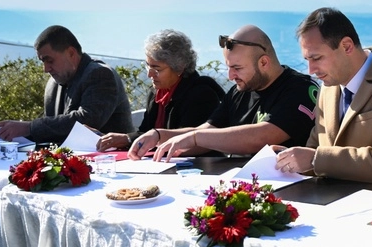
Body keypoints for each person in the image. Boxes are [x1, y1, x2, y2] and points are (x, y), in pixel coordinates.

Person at [275, 7, 372, 197]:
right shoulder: (328, 87)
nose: (311, 69)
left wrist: (314, 159)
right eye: (307, 59)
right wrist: (287, 158)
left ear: (347, 46)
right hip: (331, 205)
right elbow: (315, 149)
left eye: (317, 58)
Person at [129, 25, 319, 159]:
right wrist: (159, 136)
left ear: (263, 62)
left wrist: (195, 137)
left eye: (237, 68)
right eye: (228, 67)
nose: (230, 75)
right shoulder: (241, 89)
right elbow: (206, 132)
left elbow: (264, 136)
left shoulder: (300, 88)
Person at [0, 25, 133, 144]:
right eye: (43, 62)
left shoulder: (100, 74)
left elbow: (86, 122)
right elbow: (54, 128)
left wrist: (29, 128)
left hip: (112, 165)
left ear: (71, 53)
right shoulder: (53, 84)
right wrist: (12, 130)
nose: (45, 69)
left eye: (50, 60)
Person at [95, 30, 224, 152]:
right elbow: (146, 132)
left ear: (179, 68)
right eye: (147, 65)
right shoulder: (157, 93)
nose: (149, 74)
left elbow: (188, 141)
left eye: (157, 69)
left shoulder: (200, 94)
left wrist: (130, 139)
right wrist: (125, 138)